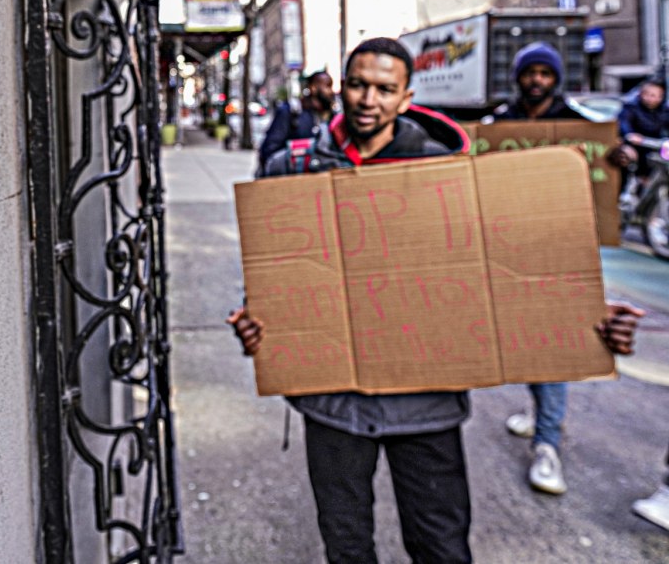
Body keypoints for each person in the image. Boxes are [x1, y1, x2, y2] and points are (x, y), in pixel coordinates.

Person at [227, 37, 642, 563]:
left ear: (406, 97)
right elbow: (272, 273)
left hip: (425, 404)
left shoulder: (451, 171)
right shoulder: (292, 169)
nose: (367, 99)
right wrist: (257, 323)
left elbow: (521, 271)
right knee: (346, 545)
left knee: (441, 547)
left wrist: (591, 323)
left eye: (384, 89)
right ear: (342, 88)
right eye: (357, 84)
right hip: (332, 404)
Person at [486, 41, 586, 496]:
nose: (537, 80)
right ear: (519, 77)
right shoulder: (498, 124)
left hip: (561, 254)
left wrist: (620, 160)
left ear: (556, 78)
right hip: (509, 252)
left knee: (550, 347)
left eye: (546, 73)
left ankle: (548, 444)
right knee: (524, 342)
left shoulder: (580, 127)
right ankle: (537, 413)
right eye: (531, 72)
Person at [255, 70, 335, 177]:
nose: (331, 92)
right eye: (327, 86)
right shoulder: (291, 112)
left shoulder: (332, 117)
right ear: (313, 88)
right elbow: (269, 151)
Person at [616, 79, 669, 184]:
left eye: (654, 95)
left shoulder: (664, 110)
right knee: (627, 157)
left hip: (655, 145)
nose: (650, 98)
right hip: (635, 145)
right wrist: (630, 135)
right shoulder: (630, 107)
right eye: (647, 94)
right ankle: (630, 187)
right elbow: (624, 124)